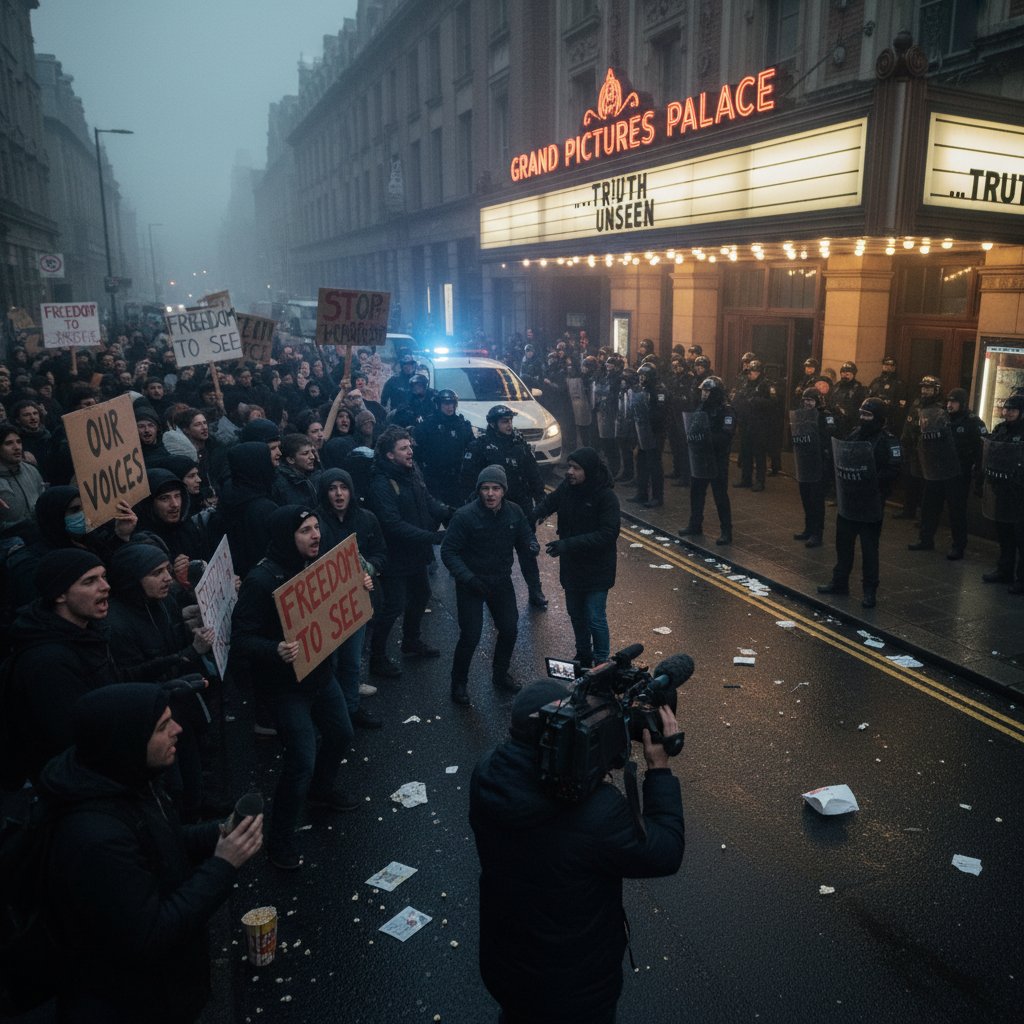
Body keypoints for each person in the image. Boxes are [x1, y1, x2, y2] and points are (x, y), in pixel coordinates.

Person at [37, 683, 263, 1022]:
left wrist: (215, 833)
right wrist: (224, 864)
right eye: (162, 727)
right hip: (130, 1004)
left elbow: (159, 840)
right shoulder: (95, 839)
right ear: (126, 742)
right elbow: (151, 934)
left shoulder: (127, 778)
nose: (178, 730)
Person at [469, 680, 684, 1024]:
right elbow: (666, 851)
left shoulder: (487, 775)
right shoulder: (596, 812)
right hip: (575, 990)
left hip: (506, 966)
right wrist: (658, 769)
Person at [230, 505, 362, 870]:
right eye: (305, 530)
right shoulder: (261, 581)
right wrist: (274, 649)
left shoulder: (316, 567)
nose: (315, 535)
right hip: (287, 689)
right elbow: (240, 639)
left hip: (321, 676)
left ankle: (321, 793)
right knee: (301, 760)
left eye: (316, 528)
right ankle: (281, 840)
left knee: (340, 735)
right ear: (287, 537)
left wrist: (362, 585)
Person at [2, 549, 119, 785]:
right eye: (90, 581)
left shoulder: (87, 634)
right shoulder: (47, 662)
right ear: (59, 595)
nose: (105, 586)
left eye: (103, 576)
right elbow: (73, 737)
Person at [441, 465, 534, 705]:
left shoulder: (514, 512)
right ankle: (459, 683)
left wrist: (531, 545)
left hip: (500, 581)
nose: (490, 494)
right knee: (471, 636)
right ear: (479, 491)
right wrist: (469, 578)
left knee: (510, 630)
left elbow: (524, 537)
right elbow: (449, 552)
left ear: (503, 491)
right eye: (485, 489)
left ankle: (500, 675)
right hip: (472, 584)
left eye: (495, 488)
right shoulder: (464, 516)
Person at [368, 427, 449, 677]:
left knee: (421, 594)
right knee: (393, 606)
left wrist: (453, 512)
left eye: (409, 446)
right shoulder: (381, 482)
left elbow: (428, 501)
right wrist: (432, 537)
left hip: (415, 553)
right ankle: (377, 658)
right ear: (390, 455)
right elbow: (392, 525)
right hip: (394, 557)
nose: (410, 451)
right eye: (403, 448)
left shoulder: (411, 472)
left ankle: (411, 642)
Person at [532, 447, 619, 667]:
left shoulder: (606, 497)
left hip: (597, 568)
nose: (569, 471)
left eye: (576, 468)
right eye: (569, 466)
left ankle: (601, 661)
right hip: (572, 566)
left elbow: (607, 534)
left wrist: (567, 544)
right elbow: (549, 503)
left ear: (588, 471)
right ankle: (583, 654)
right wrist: (527, 520)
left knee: (595, 617)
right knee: (576, 613)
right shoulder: (568, 488)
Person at [315, 468, 386, 728]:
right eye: (332, 488)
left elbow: (380, 553)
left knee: (352, 661)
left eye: (343, 487)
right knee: (330, 663)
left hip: (357, 601)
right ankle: (332, 714)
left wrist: (369, 569)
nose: (338, 494)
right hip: (326, 605)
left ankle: (351, 709)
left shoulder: (367, 519)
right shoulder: (317, 522)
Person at [461, 405, 548, 608]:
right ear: (493, 424)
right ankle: (494, 595)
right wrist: (473, 502)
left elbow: (532, 472)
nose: (509, 425)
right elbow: (468, 478)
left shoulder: (519, 444)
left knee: (528, 550)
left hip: (520, 507)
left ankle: (535, 590)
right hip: (493, 509)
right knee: (494, 554)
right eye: (504, 421)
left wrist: (540, 497)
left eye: (510, 421)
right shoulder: (480, 446)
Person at [818, 398, 902, 608]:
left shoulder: (888, 441)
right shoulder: (856, 433)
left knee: (869, 549)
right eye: (862, 414)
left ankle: (869, 591)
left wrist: (871, 477)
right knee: (843, 545)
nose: (863, 419)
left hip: (871, 502)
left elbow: (894, 470)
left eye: (868, 415)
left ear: (879, 418)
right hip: (849, 499)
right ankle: (840, 582)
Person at [908, 387, 986, 559]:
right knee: (929, 506)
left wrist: (978, 473)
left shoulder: (973, 422)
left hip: (958, 474)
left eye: (954, 402)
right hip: (937, 471)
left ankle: (958, 546)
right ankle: (925, 539)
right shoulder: (941, 418)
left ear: (963, 404)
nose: (950, 405)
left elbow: (980, 449)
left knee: (956, 511)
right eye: (948, 402)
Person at [678, 376, 735, 545]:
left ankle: (726, 531)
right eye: (703, 390)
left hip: (717, 459)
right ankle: (695, 524)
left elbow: (727, 435)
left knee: (720, 496)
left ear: (715, 392)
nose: (703, 393)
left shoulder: (727, 411)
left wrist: (707, 437)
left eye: (707, 391)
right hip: (700, 457)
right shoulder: (701, 407)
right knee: (696, 492)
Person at [979, 393, 1024, 590]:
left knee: (1021, 536)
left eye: (1013, 410)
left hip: (1020, 490)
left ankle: (1021, 579)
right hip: (1002, 488)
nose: (1008, 413)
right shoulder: (1000, 429)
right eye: (1006, 409)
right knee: (1004, 532)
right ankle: (1004, 570)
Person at [790, 387, 838, 548]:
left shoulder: (826, 416)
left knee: (817, 500)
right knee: (806, 497)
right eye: (805, 400)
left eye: (810, 400)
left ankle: (817, 533)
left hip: (820, 461)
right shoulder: (802, 415)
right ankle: (808, 528)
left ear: (817, 401)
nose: (807, 403)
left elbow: (831, 435)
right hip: (805, 461)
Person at [414, 388, 474, 506]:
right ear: (438, 404)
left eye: (452, 403)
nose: (449, 407)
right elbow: (418, 451)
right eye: (446, 404)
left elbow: (471, 447)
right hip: (433, 479)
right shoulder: (427, 425)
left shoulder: (462, 424)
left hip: (456, 479)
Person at [897, 375, 943, 519]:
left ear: (936, 390)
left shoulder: (939, 407)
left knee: (926, 485)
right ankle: (908, 511)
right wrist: (905, 440)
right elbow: (909, 422)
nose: (925, 391)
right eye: (923, 388)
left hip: (928, 451)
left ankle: (925, 516)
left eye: (928, 388)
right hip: (913, 448)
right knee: (910, 481)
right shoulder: (917, 402)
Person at [626, 361, 667, 508]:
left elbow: (661, 412)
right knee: (642, 463)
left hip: (655, 432)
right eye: (640, 375)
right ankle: (641, 493)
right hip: (642, 430)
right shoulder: (640, 389)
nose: (642, 378)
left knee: (655, 466)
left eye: (644, 375)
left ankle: (657, 497)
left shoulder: (659, 390)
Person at [733, 359, 776, 491]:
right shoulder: (746, 384)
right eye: (749, 372)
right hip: (746, 423)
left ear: (758, 372)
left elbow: (773, 403)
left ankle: (760, 481)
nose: (750, 375)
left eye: (752, 372)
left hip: (760, 424)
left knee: (759, 454)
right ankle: (746, 479)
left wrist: (757, 401)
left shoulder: (766, 385)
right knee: (745, 452)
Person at [0, 421, 45, 529]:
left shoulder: (31, 470)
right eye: (9, 443)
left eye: (19, 442)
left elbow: (43, 500)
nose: (17, 447)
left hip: (40, 533)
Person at [831, 361, 869, 438]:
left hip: (850, 423)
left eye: (847, 374)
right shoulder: (837, 386)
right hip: (835, 421)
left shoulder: (858, 388)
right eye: (843, 373)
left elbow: (861, 407)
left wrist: (846, 412)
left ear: (853, 374)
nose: (844, 376)